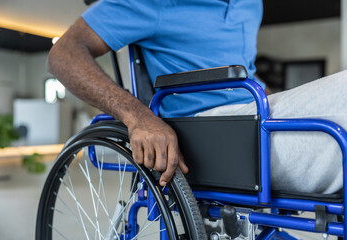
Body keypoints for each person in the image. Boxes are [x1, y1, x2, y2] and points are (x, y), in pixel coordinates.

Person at [48, 0, 345, 193]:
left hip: (254, 112)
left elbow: (243, 74)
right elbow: (64, 54)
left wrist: (289, 101)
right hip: (207, 130)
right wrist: (138, 117)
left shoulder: (250, 4)